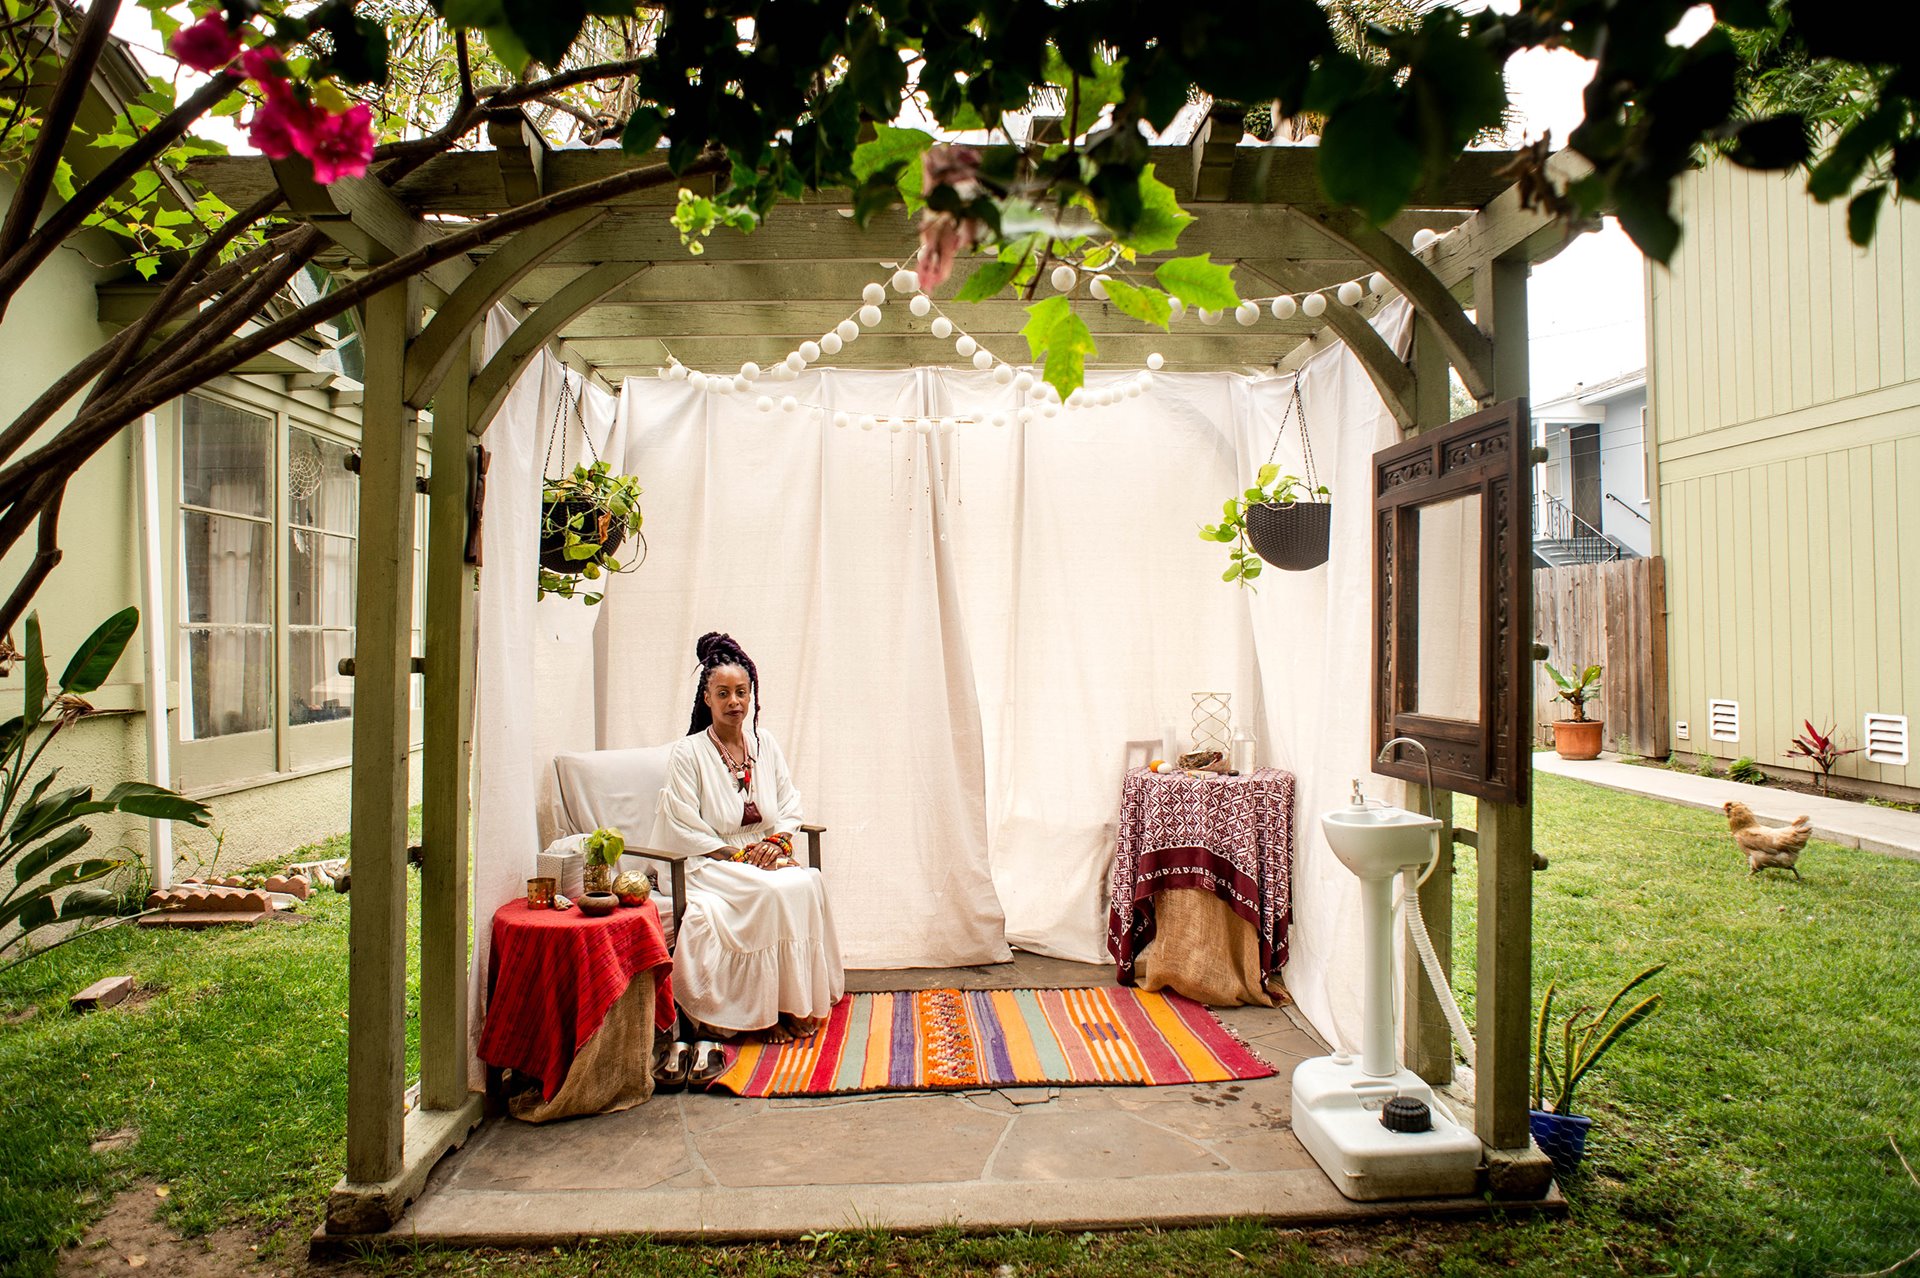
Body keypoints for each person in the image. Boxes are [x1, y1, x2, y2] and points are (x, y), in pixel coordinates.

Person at [649, 631, 844, 1041]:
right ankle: (763, 1012)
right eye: (723, 693)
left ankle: (793, 1003)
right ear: (707, 699)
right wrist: (736, 856)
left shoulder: (765, 743)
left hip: (763, 854)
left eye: (741, 692)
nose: (734, 702)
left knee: (807, 882)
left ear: (751, 694)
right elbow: (682, 824)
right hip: (708, 860)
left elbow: (789, 803)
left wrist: (777, 843)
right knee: (770, 892)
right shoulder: (688, 753)